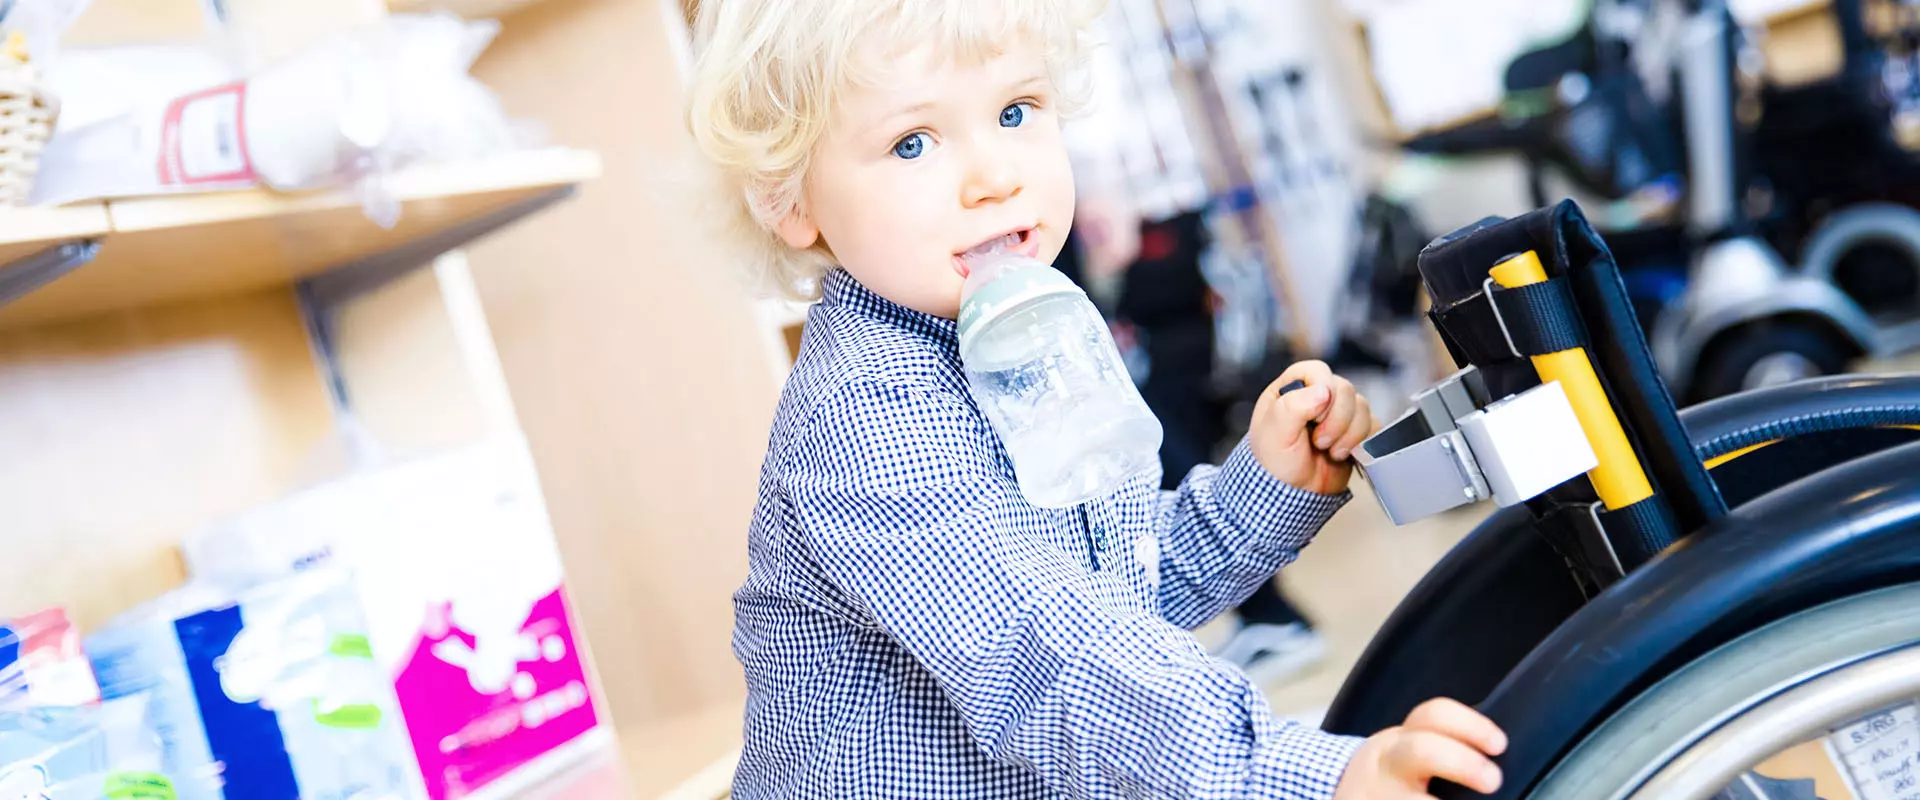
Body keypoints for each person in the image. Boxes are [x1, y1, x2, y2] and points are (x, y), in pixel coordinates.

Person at [686, 0, 1508, 797]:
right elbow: (1048, 655)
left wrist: (1265, 490)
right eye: (912, 142)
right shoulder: (866, 417)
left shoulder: (1032, 330)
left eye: (1016, 111)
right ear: (785, 199)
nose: (996, 177)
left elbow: (1112, 590)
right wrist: (1305, 776)